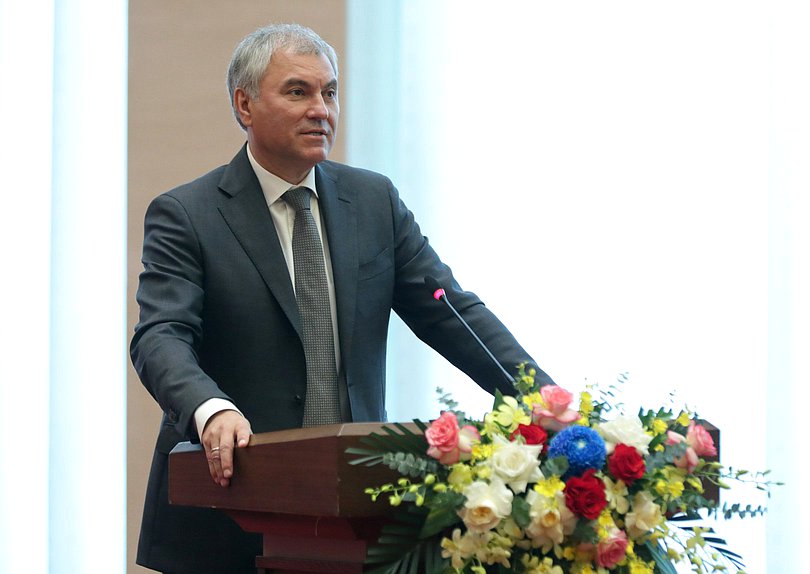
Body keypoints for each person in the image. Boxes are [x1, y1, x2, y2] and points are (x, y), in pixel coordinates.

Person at [131, 23, 554, 574]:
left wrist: (544, 401)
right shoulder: (188, 214)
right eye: (297, 92)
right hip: (227, 511)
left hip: (356, 513)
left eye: (329, 92)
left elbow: (451, 311)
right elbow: (161, 336)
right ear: (245, 104)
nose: (321, 109)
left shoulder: (372, 201)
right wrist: (210, 410)